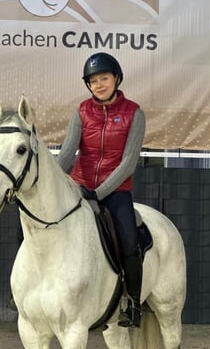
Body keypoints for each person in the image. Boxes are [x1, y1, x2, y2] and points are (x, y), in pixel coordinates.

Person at [57, 52, 146, 328]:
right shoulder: (82, 111)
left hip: (115, 191)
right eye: (93, 81)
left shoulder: (134, 113)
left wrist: (100, 193)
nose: (99, 85)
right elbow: (67, 153)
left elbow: (128, 163)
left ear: (116, 79)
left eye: (104, 78)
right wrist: (54, 181)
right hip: (79, 185)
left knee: (129, 240)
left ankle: (132, 303)